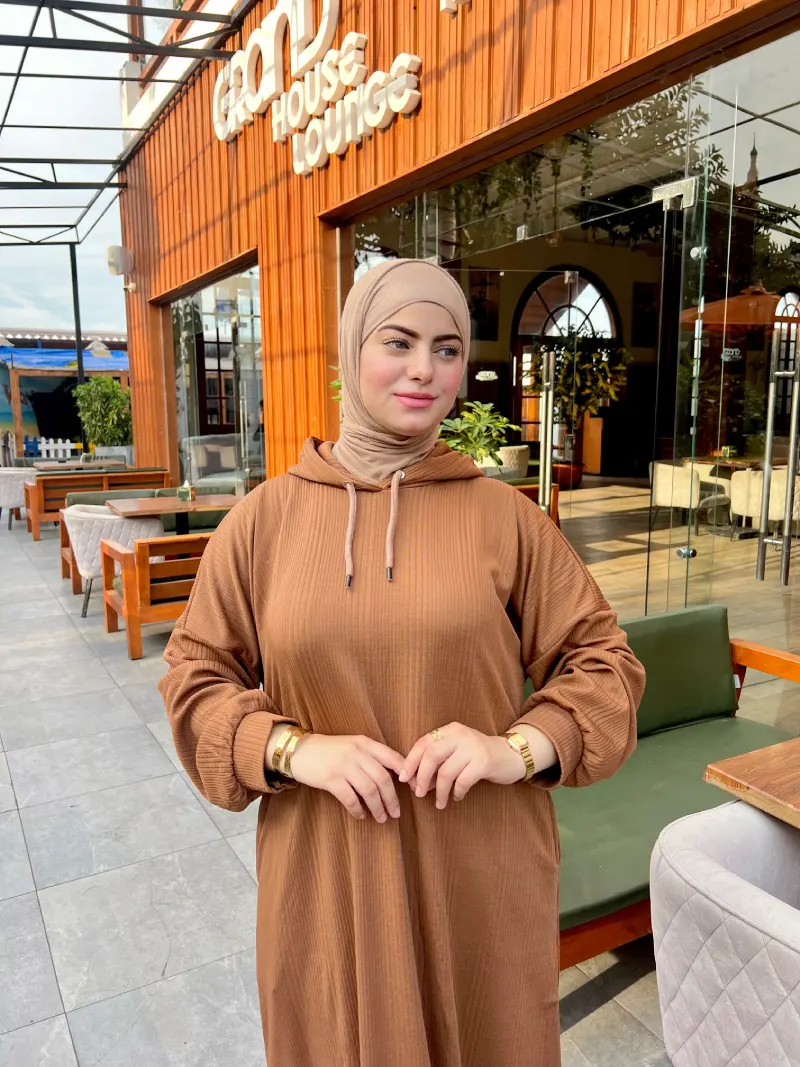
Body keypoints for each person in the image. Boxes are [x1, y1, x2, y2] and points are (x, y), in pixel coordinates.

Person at [159, 258, 645, 1067]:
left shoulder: (506, 520)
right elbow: (193, 678)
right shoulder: (264, 522)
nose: (425, 369)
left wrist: (515, 748)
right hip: (328, 877)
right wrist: (292, 748)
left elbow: (606, 663)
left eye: (447, 349)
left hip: (479, 873)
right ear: (352, 349)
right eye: (399, 341)